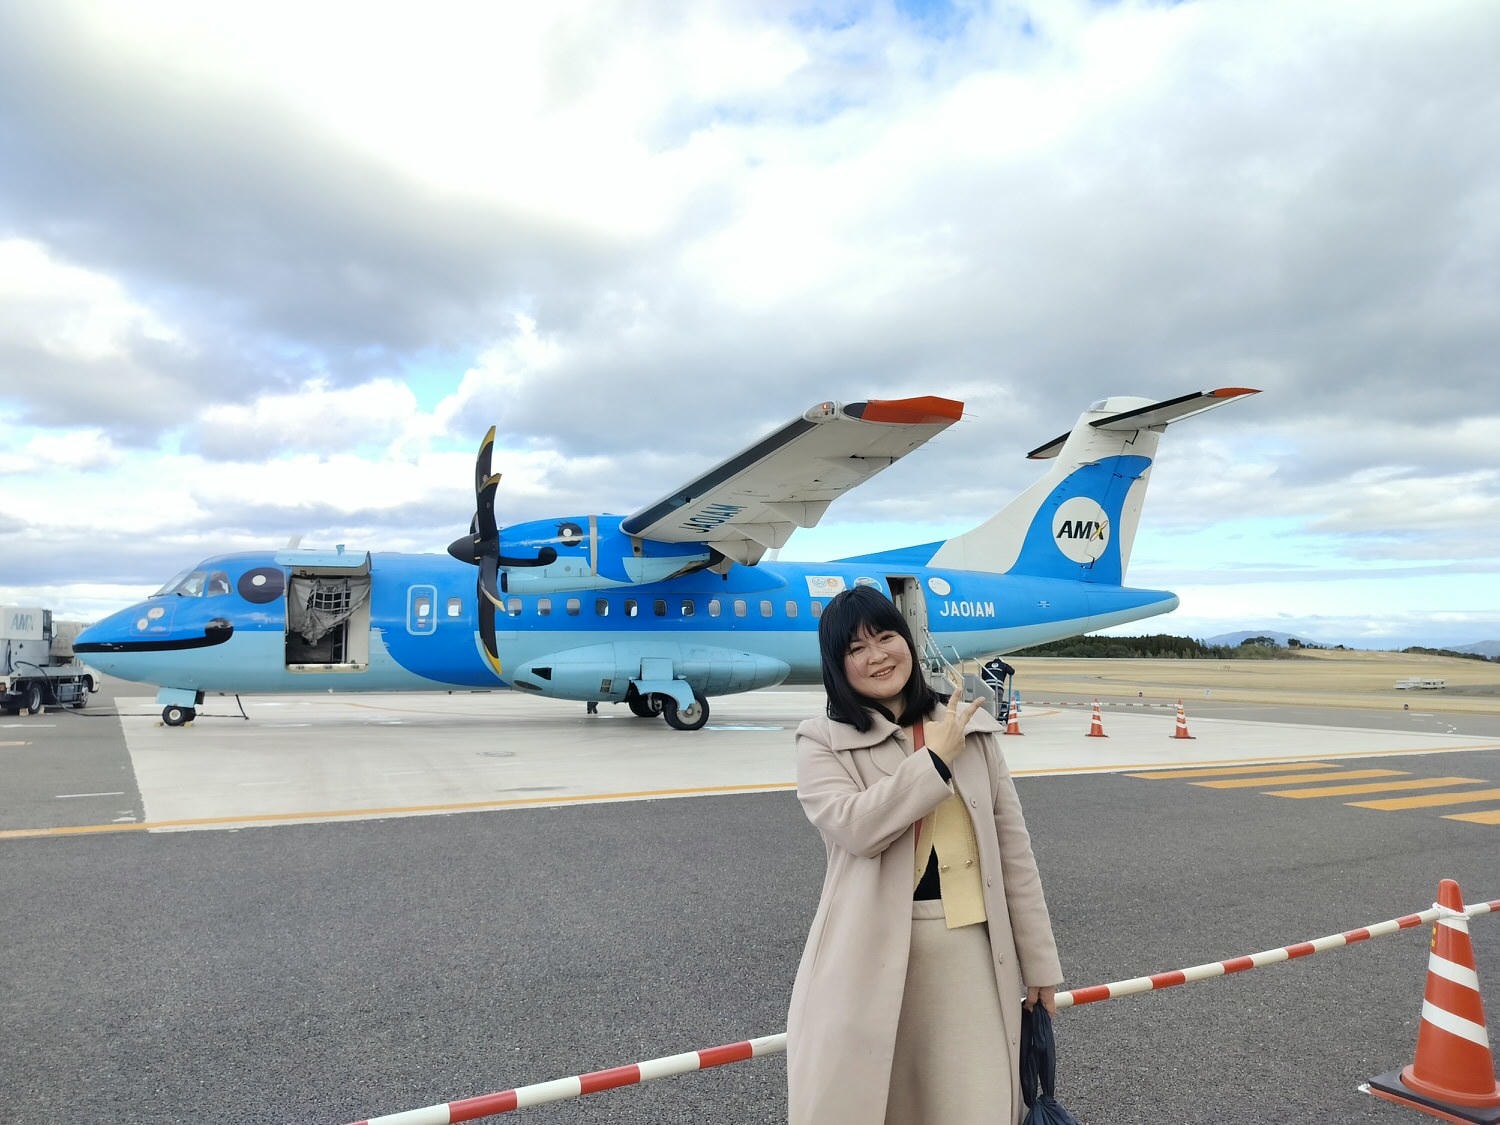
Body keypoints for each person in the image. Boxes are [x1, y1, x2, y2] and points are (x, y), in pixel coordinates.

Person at [786, 585, 1063, 1124]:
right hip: (865, 958)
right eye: (855, 648)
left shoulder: (971, 727)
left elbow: (1014, 856)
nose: (877, 656)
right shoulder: (822, 741)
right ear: (836, 666)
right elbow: (855, 828)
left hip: (971, 957)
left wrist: (1040, 965)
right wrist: (933, 760)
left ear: (908, 642)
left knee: (973, 1104)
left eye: (886, 636)